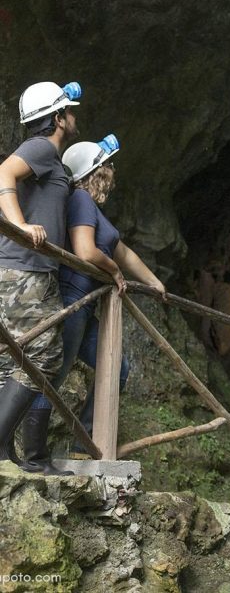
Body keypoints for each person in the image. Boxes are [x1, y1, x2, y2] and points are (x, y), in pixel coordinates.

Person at [21, 134, 166, 467]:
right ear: (93, 172)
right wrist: (115, 273)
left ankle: (83, 443)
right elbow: (88, 251)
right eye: (106, 168)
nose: (111, 175)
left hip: (85, 306)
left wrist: (156, 284)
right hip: (73, 299)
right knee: (52, 375)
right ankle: (33, 456)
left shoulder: (95, 212)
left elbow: (122, 250)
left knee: (117, 367)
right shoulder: (81, 200)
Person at [0, 81, 82, 475]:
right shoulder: (42, 148)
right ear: (57, 118)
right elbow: (5, 172)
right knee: (45, 354)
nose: (74, 116)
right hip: (25, 270)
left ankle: (13, 454)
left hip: (30, 271)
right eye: (70, 110)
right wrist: (20, 225)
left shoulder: (50, 158)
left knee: (15, 357)